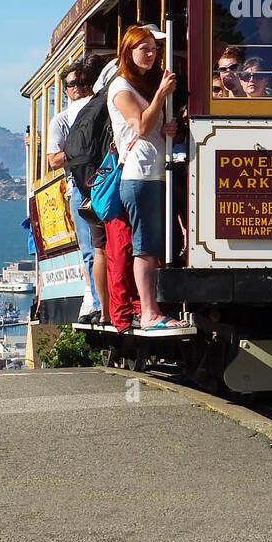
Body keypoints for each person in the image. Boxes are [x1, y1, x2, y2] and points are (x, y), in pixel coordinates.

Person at [107, 24, 188, 331]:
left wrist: (170, 130)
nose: (151, 55)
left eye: (153, 49)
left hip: (155, 172)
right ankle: (150, 313)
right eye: (144, 49)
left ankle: (156, 309)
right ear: (129, 52)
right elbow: (139, 126)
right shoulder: (121, 88)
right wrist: (160, 96)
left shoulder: (144, 86)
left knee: (156, 244)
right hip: (138, 175)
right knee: (145, 247)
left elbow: (153, 129)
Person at [47, 60, 108, 322]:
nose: (79, 89)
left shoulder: (98, 111)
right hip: (78, 188)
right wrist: (80, 152)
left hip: (104, 183)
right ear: (65, 90)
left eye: (83, 83)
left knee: (107, 248)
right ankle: (95, 301)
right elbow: (53, 160)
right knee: (89, 249)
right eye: (72, 84)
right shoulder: (61, 120)